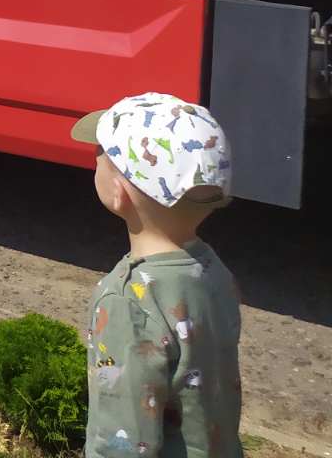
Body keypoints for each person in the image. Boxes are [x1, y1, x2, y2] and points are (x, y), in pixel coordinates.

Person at [71, 92, 241, 458]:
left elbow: (123, 437)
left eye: (100, 154)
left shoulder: (127, 299)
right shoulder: (213, 271)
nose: (95, 159)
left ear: (120, 193)